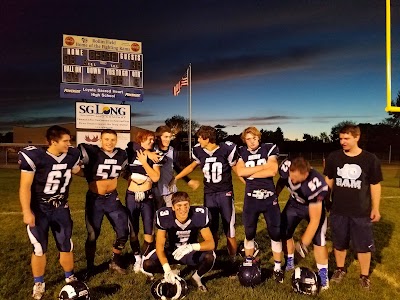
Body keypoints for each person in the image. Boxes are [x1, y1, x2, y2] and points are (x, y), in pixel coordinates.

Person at [18, 125, 81, 300]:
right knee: (39, 248)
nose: (69, 144)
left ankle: (70, 277)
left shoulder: (71, 155)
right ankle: (39, 282)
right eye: (65, 141)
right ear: (53, 142)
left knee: (66, 244)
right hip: (40, 209)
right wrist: (26, 211)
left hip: (61, 207)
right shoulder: (36, 157)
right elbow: (25, 187)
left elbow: (77, 170)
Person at [324, 124, 382, 290]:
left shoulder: (370, 159)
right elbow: (329, 179)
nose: (343, 141)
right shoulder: (334, 157)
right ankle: (340, 269)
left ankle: (364, 276)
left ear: (357, 137)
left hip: (361, 211)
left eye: (346, 138)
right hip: (338, 209)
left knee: (363, 245)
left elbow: (375, 184)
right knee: (339, 242)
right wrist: (324, 199)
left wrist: (375, 208)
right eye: (341, 138)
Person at [174, 126, 239, 265]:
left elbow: (236, 168)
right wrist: (177, 177)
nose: (197, 140)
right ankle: (213, 256)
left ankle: (233, 259)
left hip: (224, 193)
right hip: (209, 193)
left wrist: (248, 182)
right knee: (211, 226)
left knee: (229, 228)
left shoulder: (226, 149)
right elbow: (192, 166)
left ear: (207, 138)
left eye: (199, 137)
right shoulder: (198, 150)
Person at [78, 129, 130, 277]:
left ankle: (115, 260)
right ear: (101, 140)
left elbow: (124, 172)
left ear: (116, 140)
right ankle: (90, 267)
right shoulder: (92, 153)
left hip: (112, 199)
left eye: (112, 139)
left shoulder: (121, 155)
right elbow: (78, 168)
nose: (109, 142)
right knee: (93, 234)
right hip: (95, 200)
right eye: (106, 139)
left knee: (123, 231)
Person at [235, 126, 284, 283]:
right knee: (249, 233)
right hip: (251, 198)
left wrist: (252, 173)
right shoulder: (241, 151)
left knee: (275, 233)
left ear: (259, 138)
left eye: (254, 138)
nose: (251, 141)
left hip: (269, 198)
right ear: (245, 140)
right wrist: (263, 167)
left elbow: (273, 171)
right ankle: (249, 262)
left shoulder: (269, 148)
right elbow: (240, 172)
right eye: (248, 139)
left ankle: (277, 267)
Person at [142, 191, 215, 292]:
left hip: (190, 253)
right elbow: (159, 245)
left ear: (190, 205)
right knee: (147, 264)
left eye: (186, 205)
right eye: (179, 206)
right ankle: (171, 273)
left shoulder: (198, 215)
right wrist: (167, 269)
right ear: (173, 207)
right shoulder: (165, 217)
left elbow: (211, 243)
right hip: (172, 252)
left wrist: (191, 247)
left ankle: (196, 278)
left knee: (210, 257)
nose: (183, 209)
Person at [275, 157, 329, 290]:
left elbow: (315, 220)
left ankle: (323, 275)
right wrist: (275, 196)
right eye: (290, 176)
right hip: (293, 204)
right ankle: (290, 261)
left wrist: (303, 243)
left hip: (312, 208)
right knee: (284, 231)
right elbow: (282, 181)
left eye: (296, 178)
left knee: (319, 241)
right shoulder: (286, 170)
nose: (292, 180)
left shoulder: (315, 184)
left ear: (305, 175)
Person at [125, 129, 161, 274]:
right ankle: (137, 257)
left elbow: (156, 177)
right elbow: (130, 144)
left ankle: (145, 258)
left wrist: (145, 162)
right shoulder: (132, 151)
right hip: (131, 195)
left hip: (147, 196)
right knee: (133, 230)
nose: (151, 142)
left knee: (149, 231)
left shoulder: (156, 155)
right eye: (148, 139)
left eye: (153, 139)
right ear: (140, 139)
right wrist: (145, 153)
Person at [153, 125, 199, 209]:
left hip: (170, 190)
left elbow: (176, 167)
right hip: (155, 192)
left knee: (171, 217)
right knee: (156, 218)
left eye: (169, 137)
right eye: (165, 137)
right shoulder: (152, 149)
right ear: (159, 137)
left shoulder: (172, 150)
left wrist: (188, 181)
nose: (168, 139)